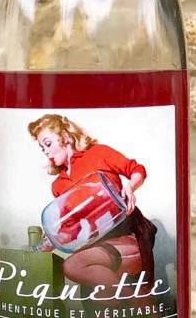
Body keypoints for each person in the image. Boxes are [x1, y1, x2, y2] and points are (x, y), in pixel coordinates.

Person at [28, 114, 157, 297]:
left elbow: (136, 170)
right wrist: (50, 241)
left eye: (48, 144)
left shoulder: (98, 153)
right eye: (42, 148)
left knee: (74, 266)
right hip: (99, 242)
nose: (46, 152)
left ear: (65, 137)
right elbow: (72, 230)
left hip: (129, 234)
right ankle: (137, 301)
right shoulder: (58, 186)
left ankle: (138, 301)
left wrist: (130, 188)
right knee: (102, 303)